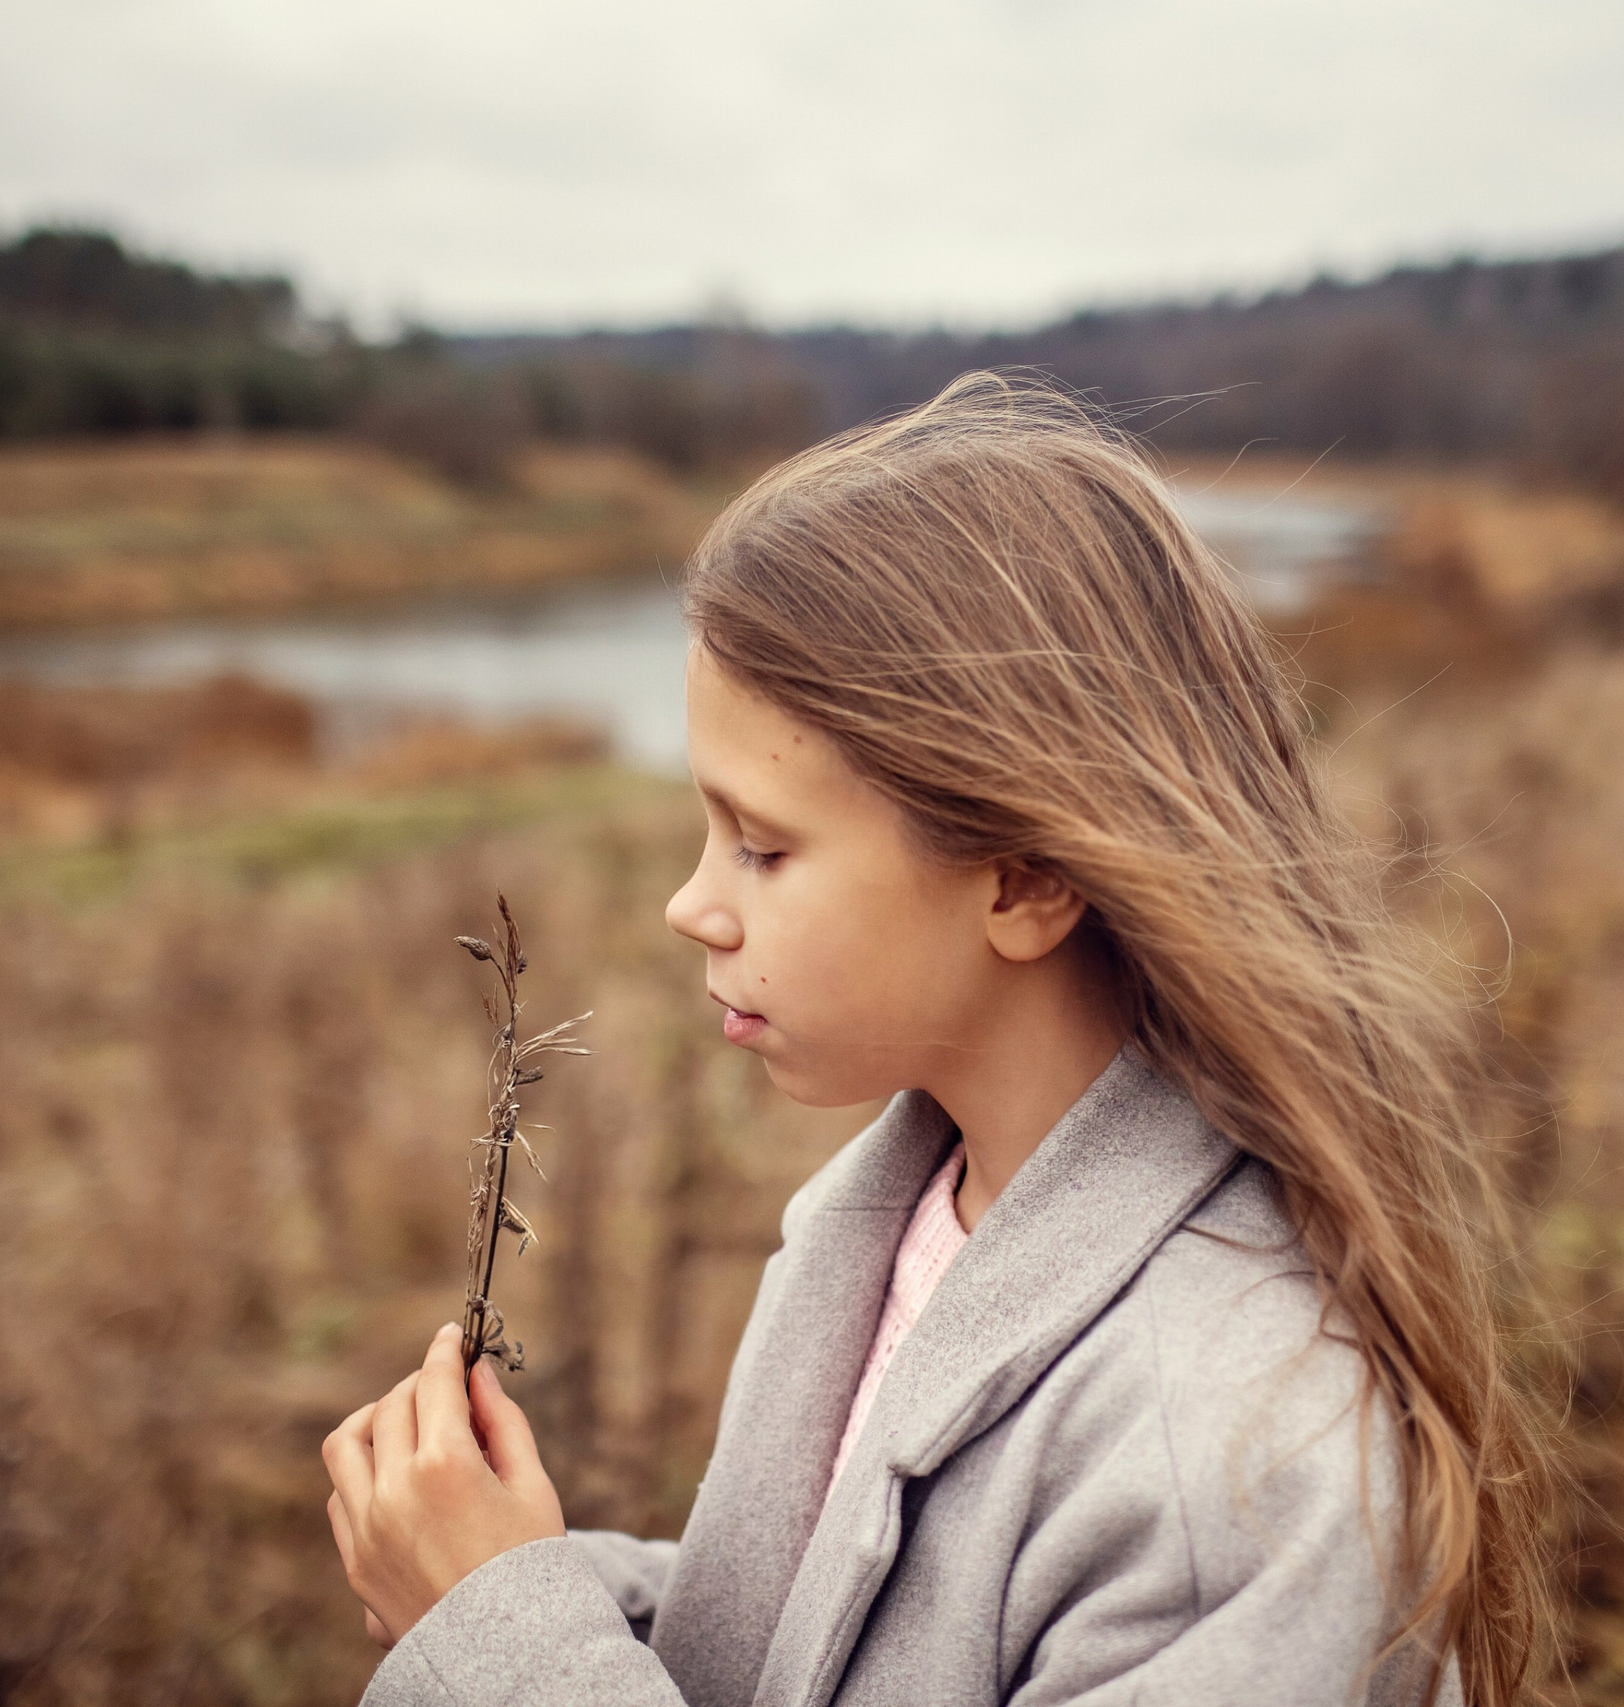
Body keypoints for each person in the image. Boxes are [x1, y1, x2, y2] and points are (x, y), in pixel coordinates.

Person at [321, 373, 1559, 1707]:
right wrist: (532, 1590)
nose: (691, 905)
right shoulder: (892, 1229)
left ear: (1022, 879)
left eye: (761, 844)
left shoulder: (1232, 1467)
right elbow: (848, 1641)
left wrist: (505, 1646)